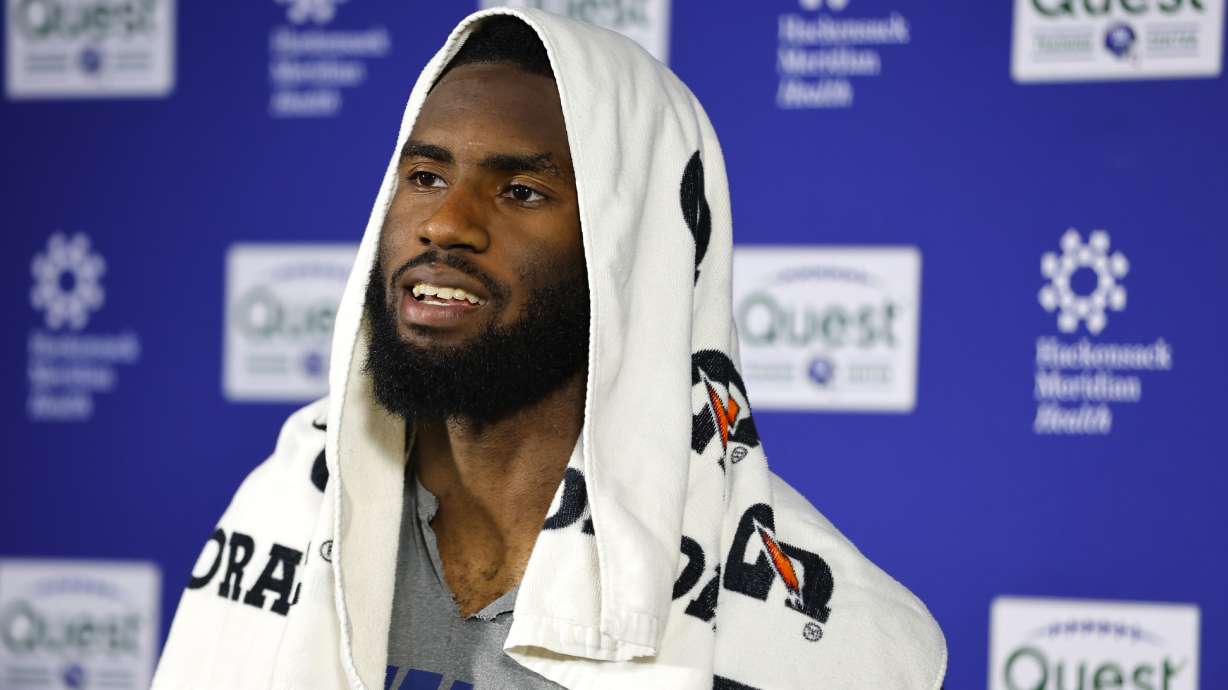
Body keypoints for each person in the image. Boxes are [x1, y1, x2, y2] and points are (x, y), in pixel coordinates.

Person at [153, 9, 946, 690]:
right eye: (425, 175)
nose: (444, 223)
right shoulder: (289, 501)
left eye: (520, 190)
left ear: (632, 253)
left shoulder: (821, 627)